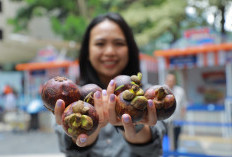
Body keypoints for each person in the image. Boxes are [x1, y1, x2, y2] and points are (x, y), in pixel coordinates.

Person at [54, 12, 166, 157]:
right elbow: (69, 149)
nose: (110, 52)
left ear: (129, 50)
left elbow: (153, 148)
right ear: (87, 51)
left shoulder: (150, 96)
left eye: (119, 43)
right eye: (100, 43)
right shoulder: (69, 98)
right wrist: (86, 132)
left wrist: (135, 124)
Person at [165, 72, 187, 151]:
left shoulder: (180, 91)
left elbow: (183, 106)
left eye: (172, 80)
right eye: (169, 80)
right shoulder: (162, 91)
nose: (170, 82)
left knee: (175, 142)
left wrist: (182, 120)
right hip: (165, 122)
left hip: (177, 121)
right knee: (164, 142)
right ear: (166, 81)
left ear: (175, 81)